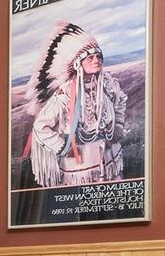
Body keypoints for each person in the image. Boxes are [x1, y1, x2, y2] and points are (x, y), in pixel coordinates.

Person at [25, 23, 128, 188]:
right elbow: (40, 126)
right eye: (90, 58)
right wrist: (62, 147)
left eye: (99, 56)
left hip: (110, 160)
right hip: (81, 167)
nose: (97, 60)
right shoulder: (65, 93)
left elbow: (120, 100)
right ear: (77, 64)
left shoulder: (108, 83)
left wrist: (118, 126)